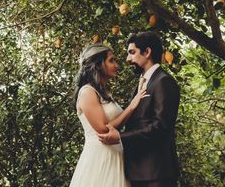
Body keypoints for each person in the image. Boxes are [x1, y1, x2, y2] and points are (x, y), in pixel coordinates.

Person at [98, 31, 181, 187]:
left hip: (157, 173)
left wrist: (121, 137)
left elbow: (160, 127)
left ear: (147, 52)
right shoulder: (143, 82)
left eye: (132, 52)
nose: (128, 59)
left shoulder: (164, 82)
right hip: (138, 171)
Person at [70, 43, 149, 187]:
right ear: (99, 65)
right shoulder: (87, 92)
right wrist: (131, 107)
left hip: (116, 155)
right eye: (111, 60)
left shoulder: (103, 93)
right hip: (100, 157)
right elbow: (104, 130)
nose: (117, 65)